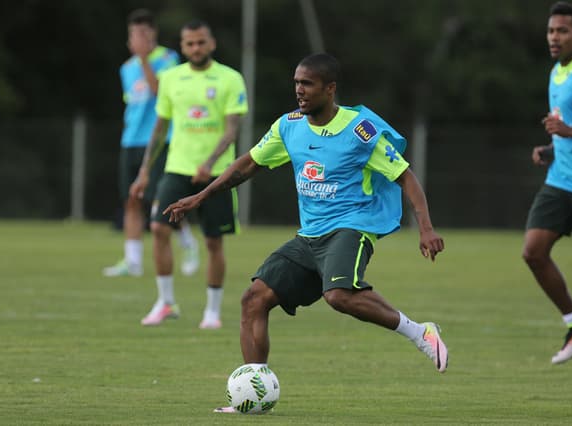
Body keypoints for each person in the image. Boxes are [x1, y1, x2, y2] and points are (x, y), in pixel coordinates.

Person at [165, 53, 448, 412]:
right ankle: (252, 394)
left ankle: (419, 332)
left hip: (352, 225)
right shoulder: (289, 126)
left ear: (330, 89)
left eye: (307, 84)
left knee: (339, 295)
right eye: (297, 82)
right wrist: (202, 196)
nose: (299, 90)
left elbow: (405, 175)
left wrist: (425, 228)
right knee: (254, 299)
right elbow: (250, 162)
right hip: (310, 235)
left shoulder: (359, 130)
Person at [130, 20, 248, 329]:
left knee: (213, 242)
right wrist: (144, 171)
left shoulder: (230, 78)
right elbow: (159, 128)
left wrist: (209, 162)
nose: (196, 48)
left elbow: (232, 129)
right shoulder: (170, 79)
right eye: (190, 44)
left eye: (200, 42)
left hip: (217, 174)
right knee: (158, 228)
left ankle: (212, 311)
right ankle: (166, 302)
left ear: (211, 44)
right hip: (177, 168)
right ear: (182, 47)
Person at [103, 9, 199, 278]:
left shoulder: (168, 59)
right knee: (131, 199)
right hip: (131, 140)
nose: (139, 39)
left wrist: (145, 60)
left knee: (160, 199)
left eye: (143, 33)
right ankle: (132, 261)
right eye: (134, 34)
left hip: (159, 141)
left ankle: (188, 244)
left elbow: (159, 93)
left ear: (153, 34)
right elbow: (132, 105)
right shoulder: (126, 68)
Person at [522, 1, 572, 365]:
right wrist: (552, 147)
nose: (554, 37)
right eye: (551, 31)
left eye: (562, 30)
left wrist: (568, 131)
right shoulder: (556, 72)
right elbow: (571, 129)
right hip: (562, 179)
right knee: (533, 251)